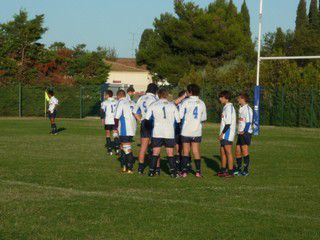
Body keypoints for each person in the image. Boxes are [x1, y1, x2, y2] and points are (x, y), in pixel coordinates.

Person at [145, 88, 181, 178]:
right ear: (167, 95)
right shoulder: (172, 105)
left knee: (155, 152)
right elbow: (178, 120)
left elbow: (147, 118)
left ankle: (151, 172)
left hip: (157, 132)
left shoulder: (153, 104)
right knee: (170, 153)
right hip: (169, 132)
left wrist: (150, 128)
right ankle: (173, 173)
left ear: (158, 95)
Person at [179, 84, 207, 178]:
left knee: (186, 151)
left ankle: (184, 172)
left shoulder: (185, 102)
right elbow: (204, 118)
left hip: (186, 130)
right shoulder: (202, 103)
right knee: (196, 151)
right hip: (197, 131)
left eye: (187, 91)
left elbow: (180, 116)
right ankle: (198, 172)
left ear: (190, 92)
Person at [133, 83, 159, 175]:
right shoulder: (155, 99)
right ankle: (157, 168)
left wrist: (140, 120)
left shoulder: (141, 98)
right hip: (153, 123)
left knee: (143, 147)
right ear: (155, 91)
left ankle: (140, 169)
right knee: (156, 146)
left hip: (144, 122)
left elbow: (135, 112)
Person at [114, 90, 137, 173]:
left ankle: (129, 168)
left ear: (118, 96)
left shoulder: (121, 102)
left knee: (126, 148)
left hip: (124, 128)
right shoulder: (132, 102)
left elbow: (117, 116)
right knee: (122, 147)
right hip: (132, 127)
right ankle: (123, 167)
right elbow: (137, 114)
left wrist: (115, 128)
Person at [217, 90, 236, 178]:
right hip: (224, 134)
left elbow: (228, 123)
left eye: (221, 97)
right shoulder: (225, 107)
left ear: (225, 98)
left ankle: (231, 171)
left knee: (228, 152)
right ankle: (223, 170)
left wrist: (222, 134)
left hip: (227, 134)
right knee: (222, 151)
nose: (220, 99)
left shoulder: (229, 108)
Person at [234, 93, 253, 176]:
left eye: (239, 98)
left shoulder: (248, 109)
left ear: (243, 99)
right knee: (237, 150)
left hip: (245, 133)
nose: (238, 100)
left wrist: (244, 131)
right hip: (240, 132)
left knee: (244, 150)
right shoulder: (240, 108)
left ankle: (245, 170)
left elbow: (248, 122)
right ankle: (238, 168)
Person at [101, 90, 120, 155]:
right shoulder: (117, 102)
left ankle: (109, 150)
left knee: (108, 134)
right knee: (115, 134)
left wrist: (102, 119)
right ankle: (117, 149)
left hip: (108, 120)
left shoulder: (104, 102)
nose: (104, 96)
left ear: (108, 95)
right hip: (115, 120)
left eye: (105, 95)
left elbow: (102, 112)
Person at [174, 90, 187, 173]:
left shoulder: (188, 104)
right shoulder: (176, 104)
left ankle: (185, 164)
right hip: (177, 127)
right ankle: (178, 164)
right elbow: (174, 103)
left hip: (185, 128)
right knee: (178, 147)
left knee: (185, 147)